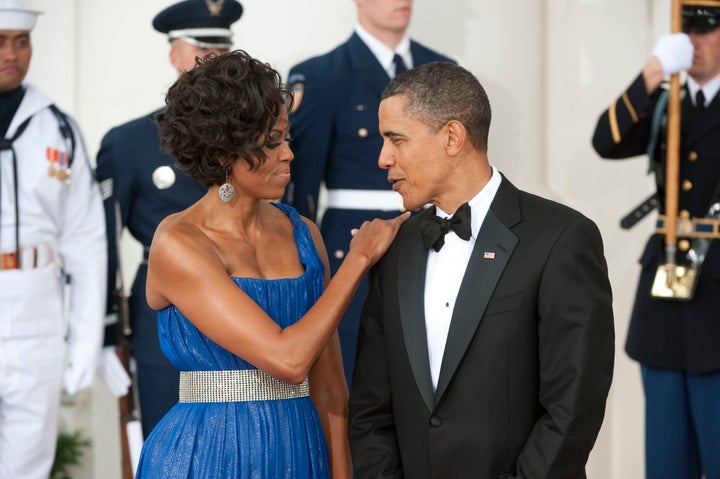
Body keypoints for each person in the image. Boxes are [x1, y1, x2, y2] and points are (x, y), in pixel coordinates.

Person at [134, 49, 408, 478]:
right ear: (223, 152)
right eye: (270, 143)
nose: (289, 155)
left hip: (302, 449)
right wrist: (357, 260)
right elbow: (288, 359)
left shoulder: (303, 233)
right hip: (209, 455)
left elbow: (330, 386)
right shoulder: (179, 243)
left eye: (287, 138)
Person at [348, 62, 615, 478]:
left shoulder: (562, 238)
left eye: (396, 139)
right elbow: (370, 409)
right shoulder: (394, 248)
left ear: (453, 137)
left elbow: (573, 406)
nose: (384, 158)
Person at [282, 0, 455, 385]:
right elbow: (299, 184)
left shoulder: (443, 70)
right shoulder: (321, 75)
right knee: (357, 377)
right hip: (350, 244)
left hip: (433, 238)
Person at [94, 0, 243, 437]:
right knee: (170, 440)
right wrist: (106, 332)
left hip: (249, 296)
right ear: (173, 55)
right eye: (199, 48)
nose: (210, 60)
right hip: (166, 311)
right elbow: (101, 242)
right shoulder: (129, 142)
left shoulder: (260, 137)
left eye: (220, 49)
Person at [591, 2, 720, 477]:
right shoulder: (669, 99)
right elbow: (605, 141)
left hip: (717, 297)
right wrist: (652, 74)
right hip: (665, 297)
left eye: (706, 32)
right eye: (685, 34)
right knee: (667, 460)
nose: (693, 43)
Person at [0, 1, 107, 478]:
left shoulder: (57, 127)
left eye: (21, 41)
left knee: (27, 461)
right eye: (1, 41)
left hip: (34, 318)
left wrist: (86, 341)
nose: (11, 53)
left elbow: (85, 241)